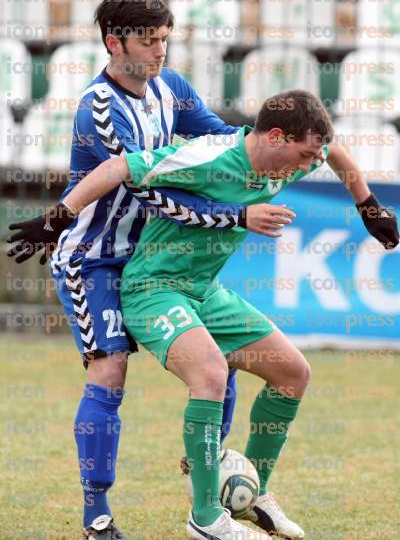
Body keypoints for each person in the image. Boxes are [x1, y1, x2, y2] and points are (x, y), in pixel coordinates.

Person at [41, 89, 399, 539]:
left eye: (315, 154)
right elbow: (118, 167)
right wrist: (59, 215)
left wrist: (367, 206)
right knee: (210, 375)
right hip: (153, 289)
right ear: (274, 136)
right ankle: (207, 517)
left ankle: (254, 492)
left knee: (293, 373)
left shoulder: (303, 150)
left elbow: (336, 151)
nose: (311, 164)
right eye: (306, 154)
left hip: (204, 292)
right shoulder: (207, 156)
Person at [6, 0, 274, 540]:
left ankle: (209, 471)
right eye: (149, 41)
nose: (160, 51)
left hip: (150, 260)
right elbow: (156, 196)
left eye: (165, 40)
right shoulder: (97, 110)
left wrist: (268, 150)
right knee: (110, 370)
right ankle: (96, 515)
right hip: (95, 262)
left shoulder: (170, 87)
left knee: (215, 361)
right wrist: (237, 218)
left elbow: (222, 141)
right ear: (114, 41)